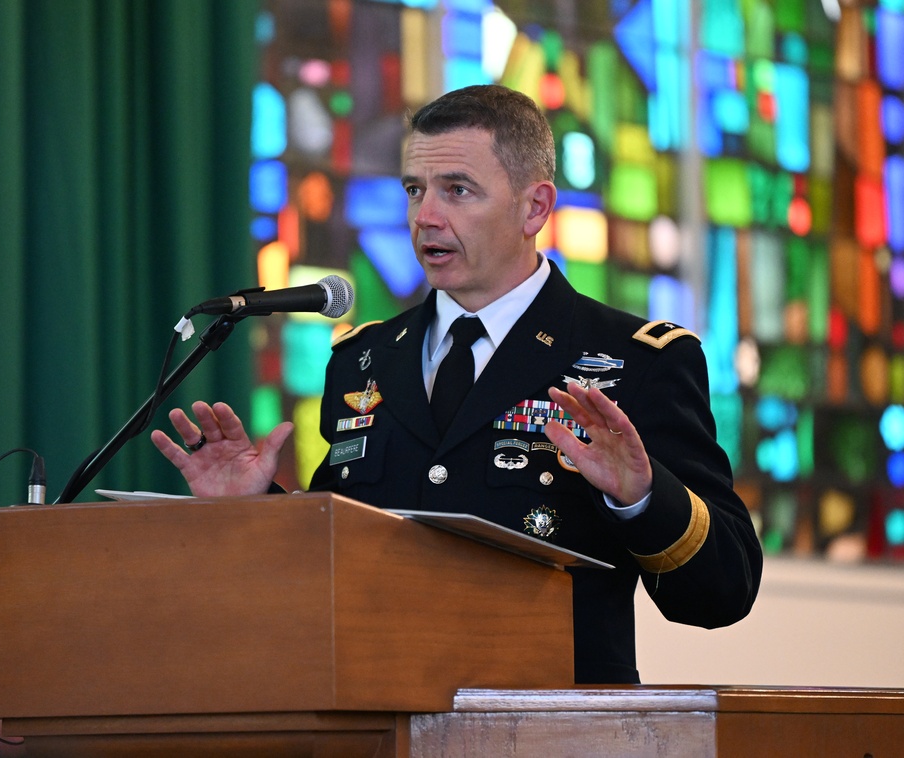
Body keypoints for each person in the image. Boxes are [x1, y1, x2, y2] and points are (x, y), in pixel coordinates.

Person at [151, 84, 763, 684]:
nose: (425, 217)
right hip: (379, 714)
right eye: (414, 191)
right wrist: (253, 511)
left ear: (535, 208)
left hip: (552, 727)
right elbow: (341, 563)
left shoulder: (637, 361)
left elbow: (723, 593)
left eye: (457, 190)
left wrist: (642, 496)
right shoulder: (362, 362)